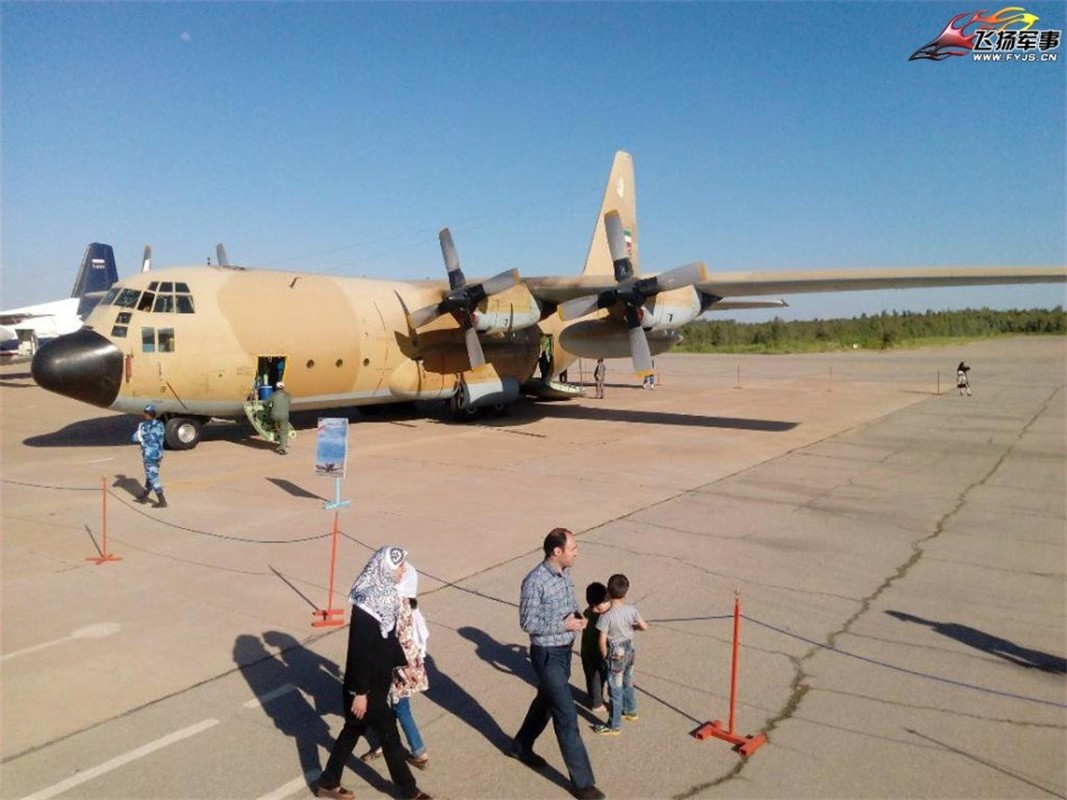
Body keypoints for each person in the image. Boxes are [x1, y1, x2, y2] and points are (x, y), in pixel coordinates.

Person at [316, 546, 431, 800]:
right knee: (389, 733)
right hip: (364, 686)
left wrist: (400, 667)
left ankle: (328, 782)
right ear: (384, 569)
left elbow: (387, 641)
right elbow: (359, 651)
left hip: (377, 680)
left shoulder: (387, 595)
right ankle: (410, 791)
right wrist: (360, 692)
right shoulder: (366, 603)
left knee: (352, 730)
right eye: (399, 567)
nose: (403, 571)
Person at [509, 528, 604, 800]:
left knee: (547, 702)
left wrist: (578, 616)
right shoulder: (534, 581)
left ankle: (520, 745)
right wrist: (562, 624)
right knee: (566, 713)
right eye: (573, 547)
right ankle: (584, 784)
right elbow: (527, 623)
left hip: (564, 651)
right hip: (547, 655)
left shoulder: (565, 574)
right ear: (556, 552)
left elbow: (569, 602)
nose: (577, 551)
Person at [362, 562, 431, 769]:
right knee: (391, 706)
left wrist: (403, 668)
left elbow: (400, 640)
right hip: (406, 663)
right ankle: (388, 741)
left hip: (398, 666)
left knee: (400, 707)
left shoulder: (396, 604)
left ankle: (418, 751)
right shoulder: (408, 602)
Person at [594, 573, 649, 736]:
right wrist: (633, 628)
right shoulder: (631, 610)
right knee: (628, 681)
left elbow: (602, 641)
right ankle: (631, 710)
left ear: (608, 593)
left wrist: (605, 655)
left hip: (615, 653)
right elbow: (644, 626)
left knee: (615, 690)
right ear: (626, 592)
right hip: (630, 650)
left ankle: (614, 725)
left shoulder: (606, 616)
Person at [580, 582, 611, 711]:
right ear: (597, 605)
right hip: (600, 652)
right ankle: (598, 703)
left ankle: (594, 698)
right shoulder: (604, 618)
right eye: (606, 602)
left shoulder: (586, 613)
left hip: (586, 651)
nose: (609, 604)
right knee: (600, 677)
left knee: (591, 676)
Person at [132, 404, 167, 508]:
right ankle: (144, 495)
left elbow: (134, 438)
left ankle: (162, 500)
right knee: (151, 474)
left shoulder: (143, 426)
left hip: (149, 454)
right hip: (159, 454)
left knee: (152, 475)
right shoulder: (160, 424)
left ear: (147, 414)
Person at [270, 381, 292, 454]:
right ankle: (282, 448)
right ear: (283, 387)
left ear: (276, 387)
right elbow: (289, 404)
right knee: (284, 431)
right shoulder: (288, 395)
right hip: (284, 416)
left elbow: (265, 403)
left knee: (276, 426)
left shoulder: (273, 395)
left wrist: (269, 408)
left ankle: (276, 432)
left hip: (274, 416)